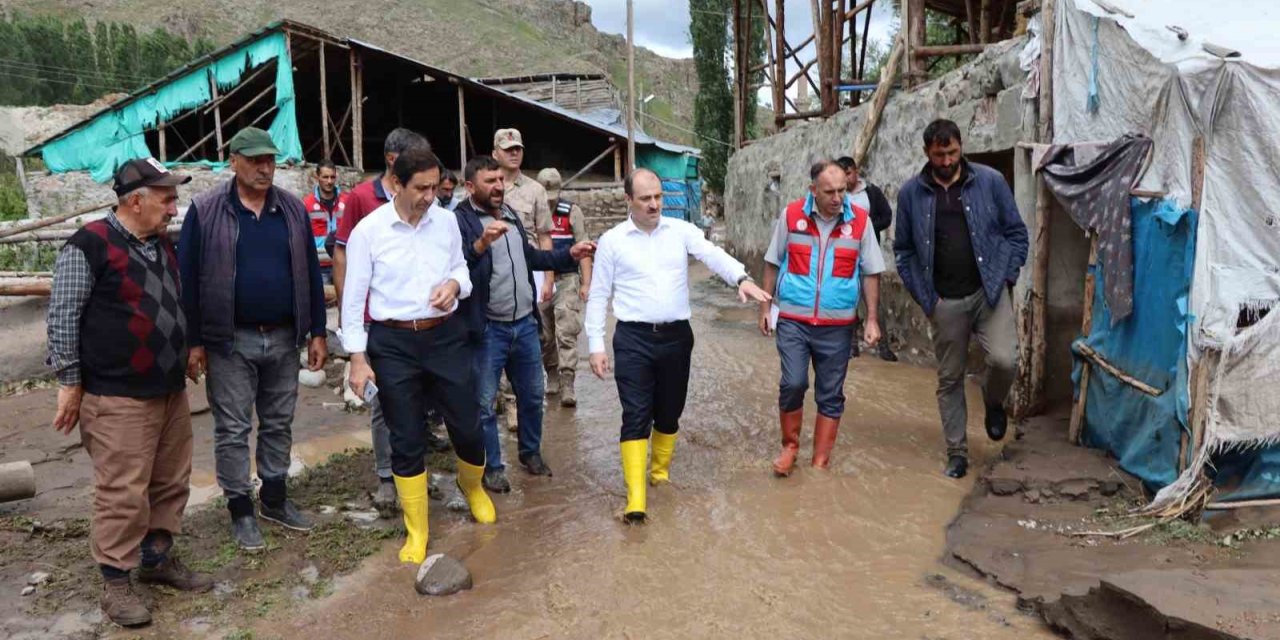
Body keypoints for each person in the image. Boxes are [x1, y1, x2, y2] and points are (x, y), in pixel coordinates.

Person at [49, 158, 213, 626]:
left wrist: (184, 350)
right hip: (117, 394)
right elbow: (63, 316)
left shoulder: (159, 243)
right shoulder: (89, 246)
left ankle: (157, 559)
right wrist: (69, 381)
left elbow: (170, 305)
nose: (174, 207)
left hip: (166, 389)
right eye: (166, 198)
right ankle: (115, 583)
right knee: (122, 490)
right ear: (135, 201)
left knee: (169, 480)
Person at [586, 169, 771, 524]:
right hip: (633, 339)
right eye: (645, 198)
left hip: (676, 337)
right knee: (636, 414)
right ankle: (636, 499)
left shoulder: (681, 232)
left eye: (657, 196)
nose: (654, 204)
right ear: (629, 201)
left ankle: (659, 473)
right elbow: (598, 294)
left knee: (669, 412)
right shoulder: (612, 240)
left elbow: (712, 254)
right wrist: (595, 345)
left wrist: (742, 278)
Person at [341, 145, 496, 566]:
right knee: (405, 436)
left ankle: (473, 487)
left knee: (467, 423)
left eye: (435, 187)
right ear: (396, 183)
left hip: (444, 336)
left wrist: (454, 286)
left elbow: (462, 270)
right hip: (392, 345)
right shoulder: (368, 232)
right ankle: (418, 530)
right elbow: (353, 300)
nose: (431, 196)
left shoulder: (445, 223)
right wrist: (357, 357)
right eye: (421, 188)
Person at [179, 127, 327, 550]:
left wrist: (318, 331)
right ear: (234, 161)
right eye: (256, 160)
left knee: (279, 421)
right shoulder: (206, 211)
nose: (265, 167)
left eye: (270, 160)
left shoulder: (293, 211)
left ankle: (275, 499)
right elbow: (187, 280)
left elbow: (311, 276)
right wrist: (194, 342)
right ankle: (240, 509)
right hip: (230, 340)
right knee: (232, 427)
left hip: (284, 337)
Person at [893, 119, 1028, 479]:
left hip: (990, 292)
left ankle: (993, 400)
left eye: (952, 152)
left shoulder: (990, 182)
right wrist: (926, 298)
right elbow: (903, 251)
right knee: (949, 378)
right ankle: (957, 452)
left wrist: (1008, 275)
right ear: (927, 153)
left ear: (961, 146)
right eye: (939, 155)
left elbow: (1017, 233)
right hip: (944, 300)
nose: (947, 160)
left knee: (1004, 360)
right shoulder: (911, 194)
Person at [454, 157, 595, 493]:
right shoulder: (459, 221)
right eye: (490, 181)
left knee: (532, 396)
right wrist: (481, 245)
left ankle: (530, 453)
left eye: (500, 180)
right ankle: (492, 467)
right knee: (485, 403)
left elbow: (532, 258)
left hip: (524, 325)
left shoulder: (511, 215)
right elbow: (456, 266)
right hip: (488, 329)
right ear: (470, 186)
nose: (498, 186)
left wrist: (567, 256)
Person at [331, 128, 449, 514]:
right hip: (377, 321)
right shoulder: (362, 199)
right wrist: (354, 337)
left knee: (418, 404)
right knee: (386, 407)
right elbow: (344, 253)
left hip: (420, 322)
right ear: (393, 165)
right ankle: (387, 476)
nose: (428, 193)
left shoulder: (431, 207)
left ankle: (415, 470)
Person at [759, 160, 886, 477]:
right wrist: (765, 308)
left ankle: (820, 462)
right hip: (793, 320)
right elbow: (773, 262)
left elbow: (871, 272)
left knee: (830, 393)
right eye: (829, 191)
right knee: (793, 383)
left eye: (843, 190)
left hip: (838, 326)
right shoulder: (791, 216)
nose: (838, 197)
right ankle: (790, 447)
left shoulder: (860, 222)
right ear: (812, 190)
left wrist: (871, 319)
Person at [536, 168, 593, 407]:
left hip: (567, 278)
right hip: (539, 279)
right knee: (544, 334)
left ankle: (567, 380)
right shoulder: (531, 213)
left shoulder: (571, 213)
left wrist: (586, 283)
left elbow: (584, 247)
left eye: (553, 195)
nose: (550, 201)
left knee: (567, 330)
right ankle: (552, 375)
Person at [835, 155, 897, 361]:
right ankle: (852, 346)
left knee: (874, 302)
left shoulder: (871, 192)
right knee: (848, 301)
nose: (846, 178)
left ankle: (883, 347)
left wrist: (866, 228)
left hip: (868, 255)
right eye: (842, 174)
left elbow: (886, 216)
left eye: (849, 173)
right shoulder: (838, 196)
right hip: (843, 258)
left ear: (855, 172)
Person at [302, 160, 348, 282]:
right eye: (325, 177)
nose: (329, 181)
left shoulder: (347, 201)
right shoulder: (307, 204)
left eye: (332, 177)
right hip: (320, 265)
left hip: (343, 261)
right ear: (317, 177)